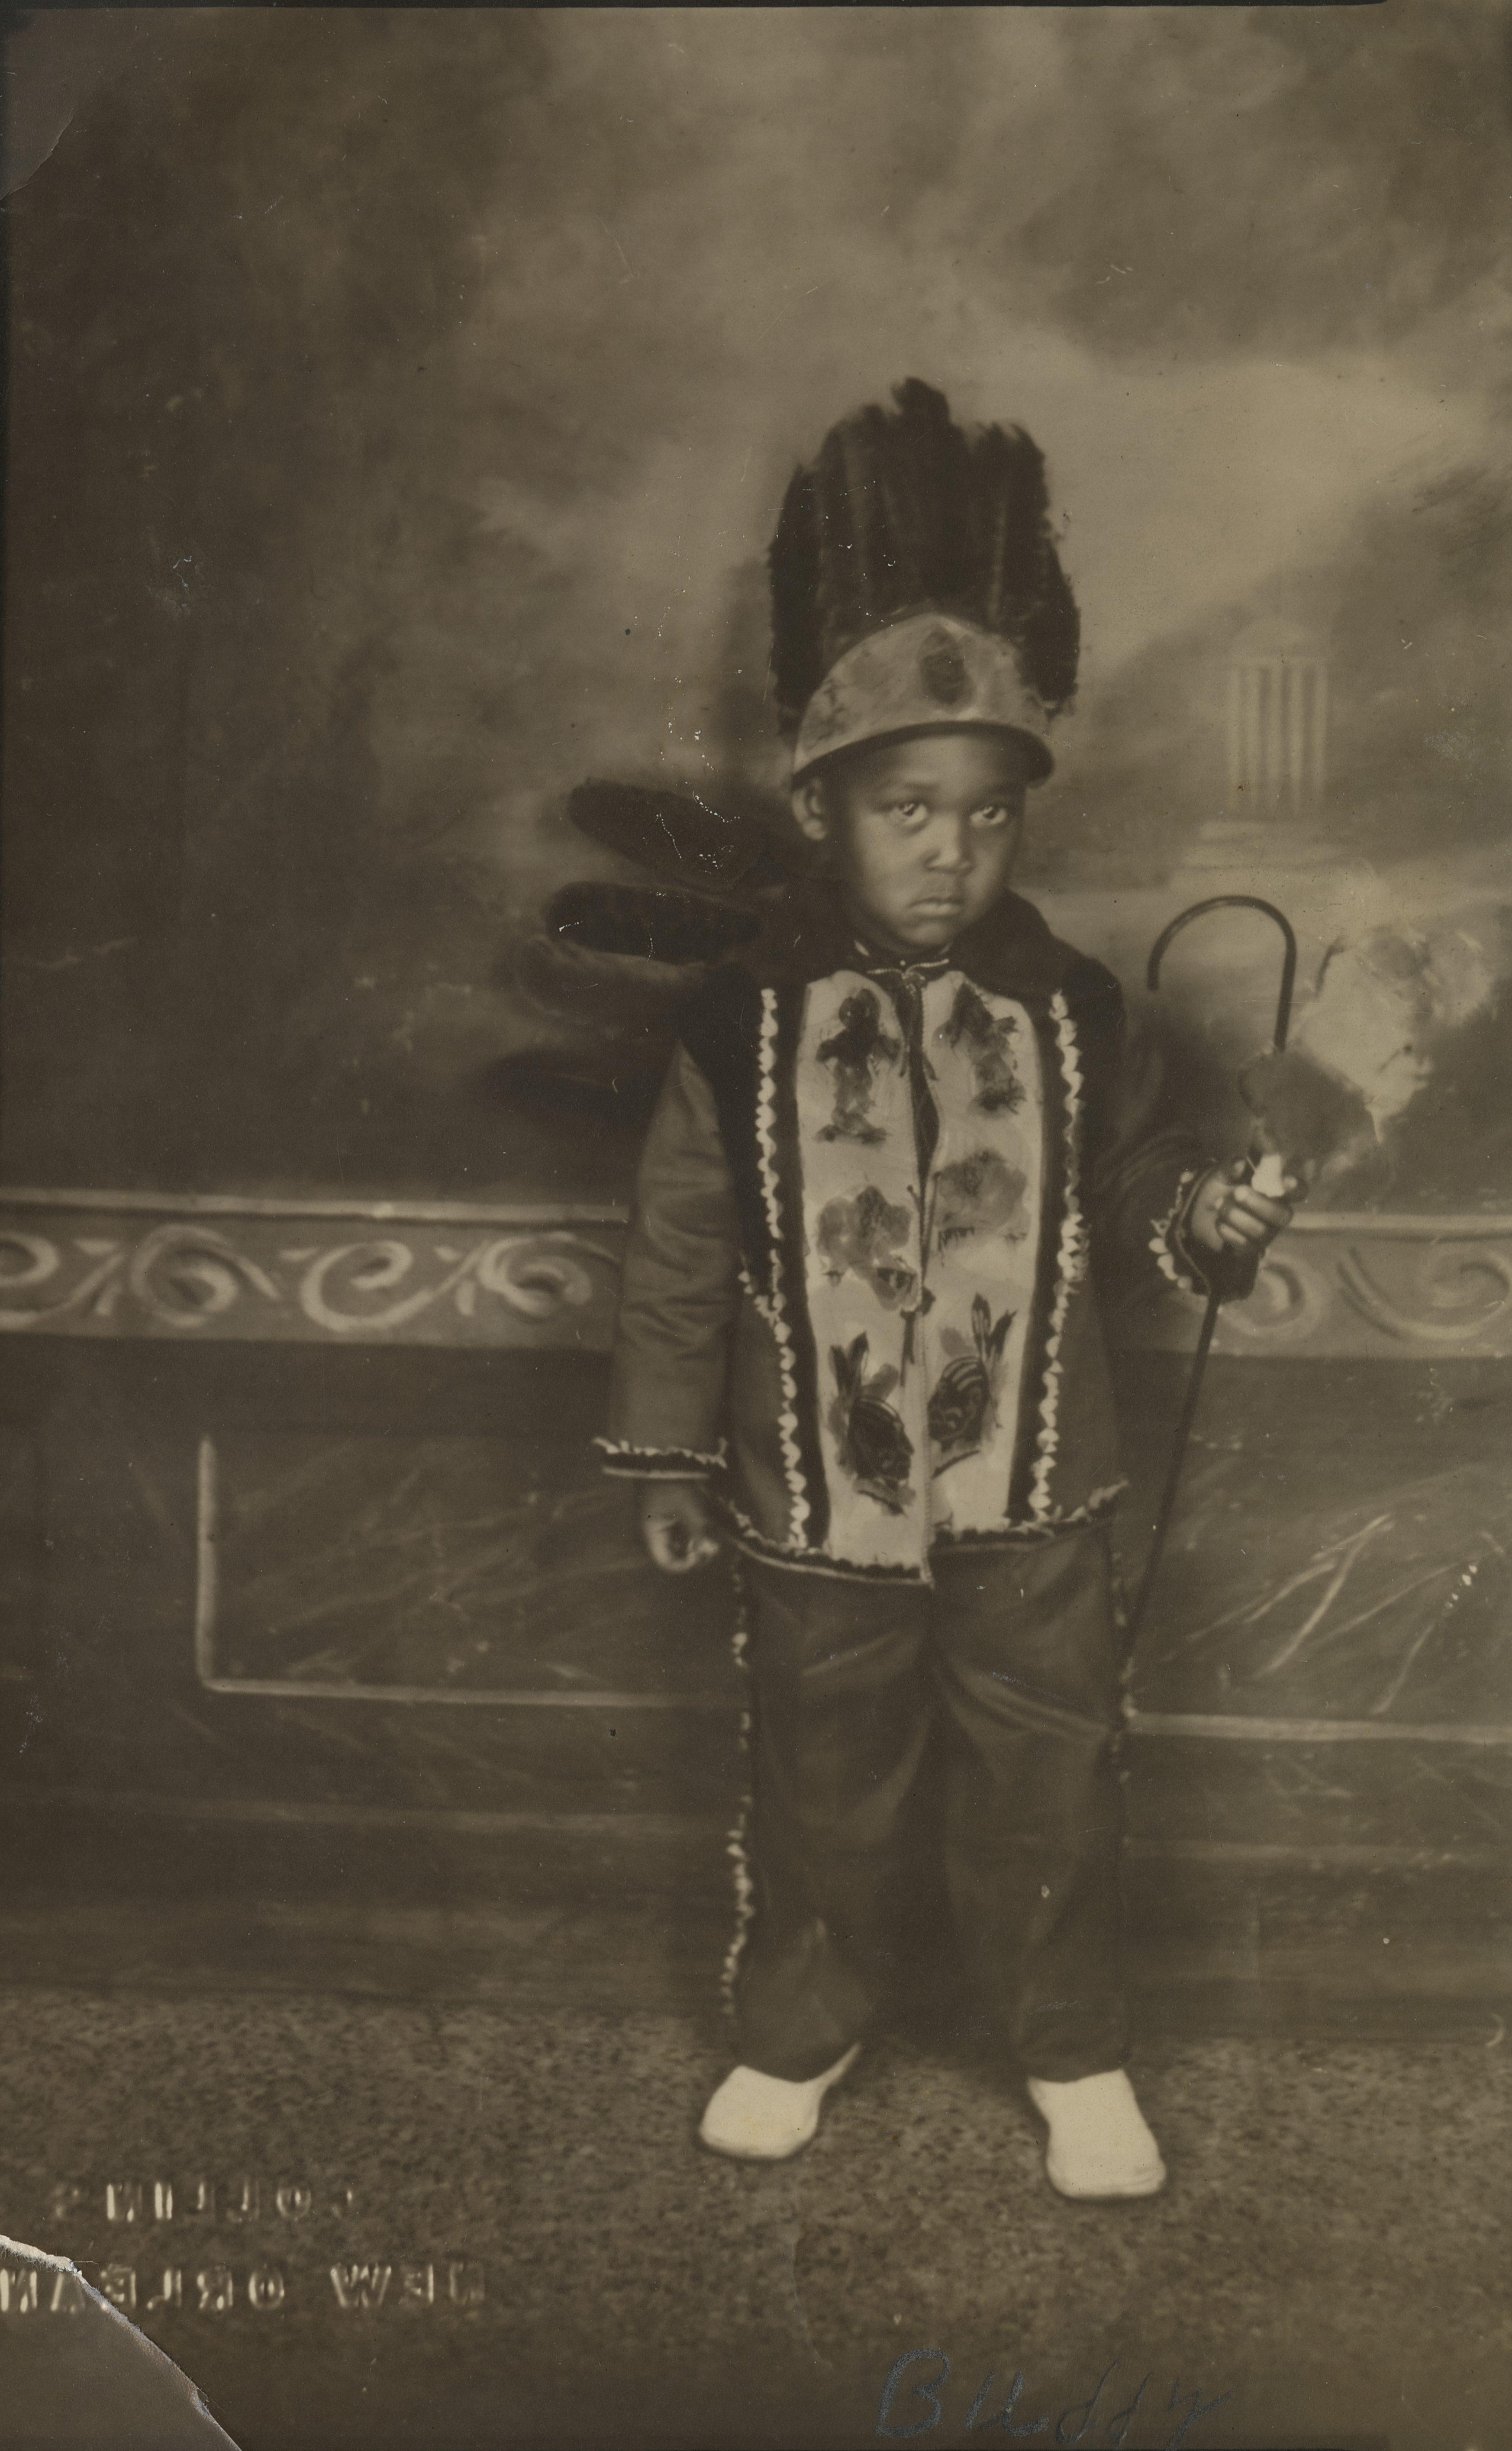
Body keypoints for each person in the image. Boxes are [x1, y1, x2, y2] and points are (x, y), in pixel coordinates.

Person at [595, 381, 1296, 2199]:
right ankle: (796, 2033)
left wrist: (1211, 1217)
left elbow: (1141, 1188)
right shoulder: (738, 1023)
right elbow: (680, 1245)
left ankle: (1072, 2059)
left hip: (1033, 1493)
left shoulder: (1071, 1014)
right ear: (824, 805)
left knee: (1049, 1779)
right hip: (815, 1498)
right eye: (906, 810)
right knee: (823, 1777)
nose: (946, 851)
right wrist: (668, 1460)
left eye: (984, 819)